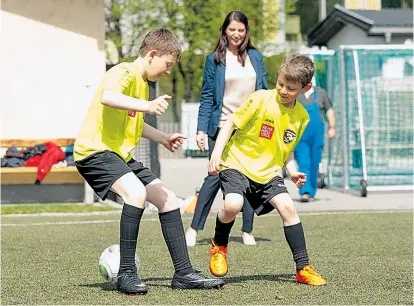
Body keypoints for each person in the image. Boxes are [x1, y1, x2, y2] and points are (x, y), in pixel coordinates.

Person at [74, 29, 224, 295]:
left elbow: (136, 122)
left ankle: (184, 273)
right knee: (136, 192)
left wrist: (164, 138)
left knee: (168, 198)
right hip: (94, 152)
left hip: (118, 155)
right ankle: (127, 273)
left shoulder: (142, 84)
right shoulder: (122, 72)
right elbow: (108, 98)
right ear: (153, 54)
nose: (168, 71)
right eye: (167, 64)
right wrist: (147, 106)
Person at [206, 55, 327, 286]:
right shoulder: (260, 99)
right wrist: (216, 154)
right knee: (232, 204)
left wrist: (292, 172)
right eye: (280, 83)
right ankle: (219, 245)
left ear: (306, 88)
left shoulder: (301, 117)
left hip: (268, 172)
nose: (283, 90)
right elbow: (231, 123)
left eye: (291, 88)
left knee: (289, 207)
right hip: (236, 163)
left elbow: (286, 149)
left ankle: (303, 268)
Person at [185, 11, 268, 247]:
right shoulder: (215, 59)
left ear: (246, 32)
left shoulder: (256, 57)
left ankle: (247, 230)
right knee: (214, 175)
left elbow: (263, 92)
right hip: (221, 126)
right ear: (225, 31)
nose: (237, 34)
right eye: (232, 29)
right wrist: (201, 130)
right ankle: (194, 227)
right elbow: (208, 96)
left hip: (250, 128)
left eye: (241, 30)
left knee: (249, 176)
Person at [294, 85, 336, 202]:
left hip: (317, 136)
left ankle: (312, 190)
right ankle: (305, 191)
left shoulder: (321, 93)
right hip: (300, 136)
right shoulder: (295, 94)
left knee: (314, 163)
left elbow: (329, 110)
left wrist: (332, 127)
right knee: (304, 163)